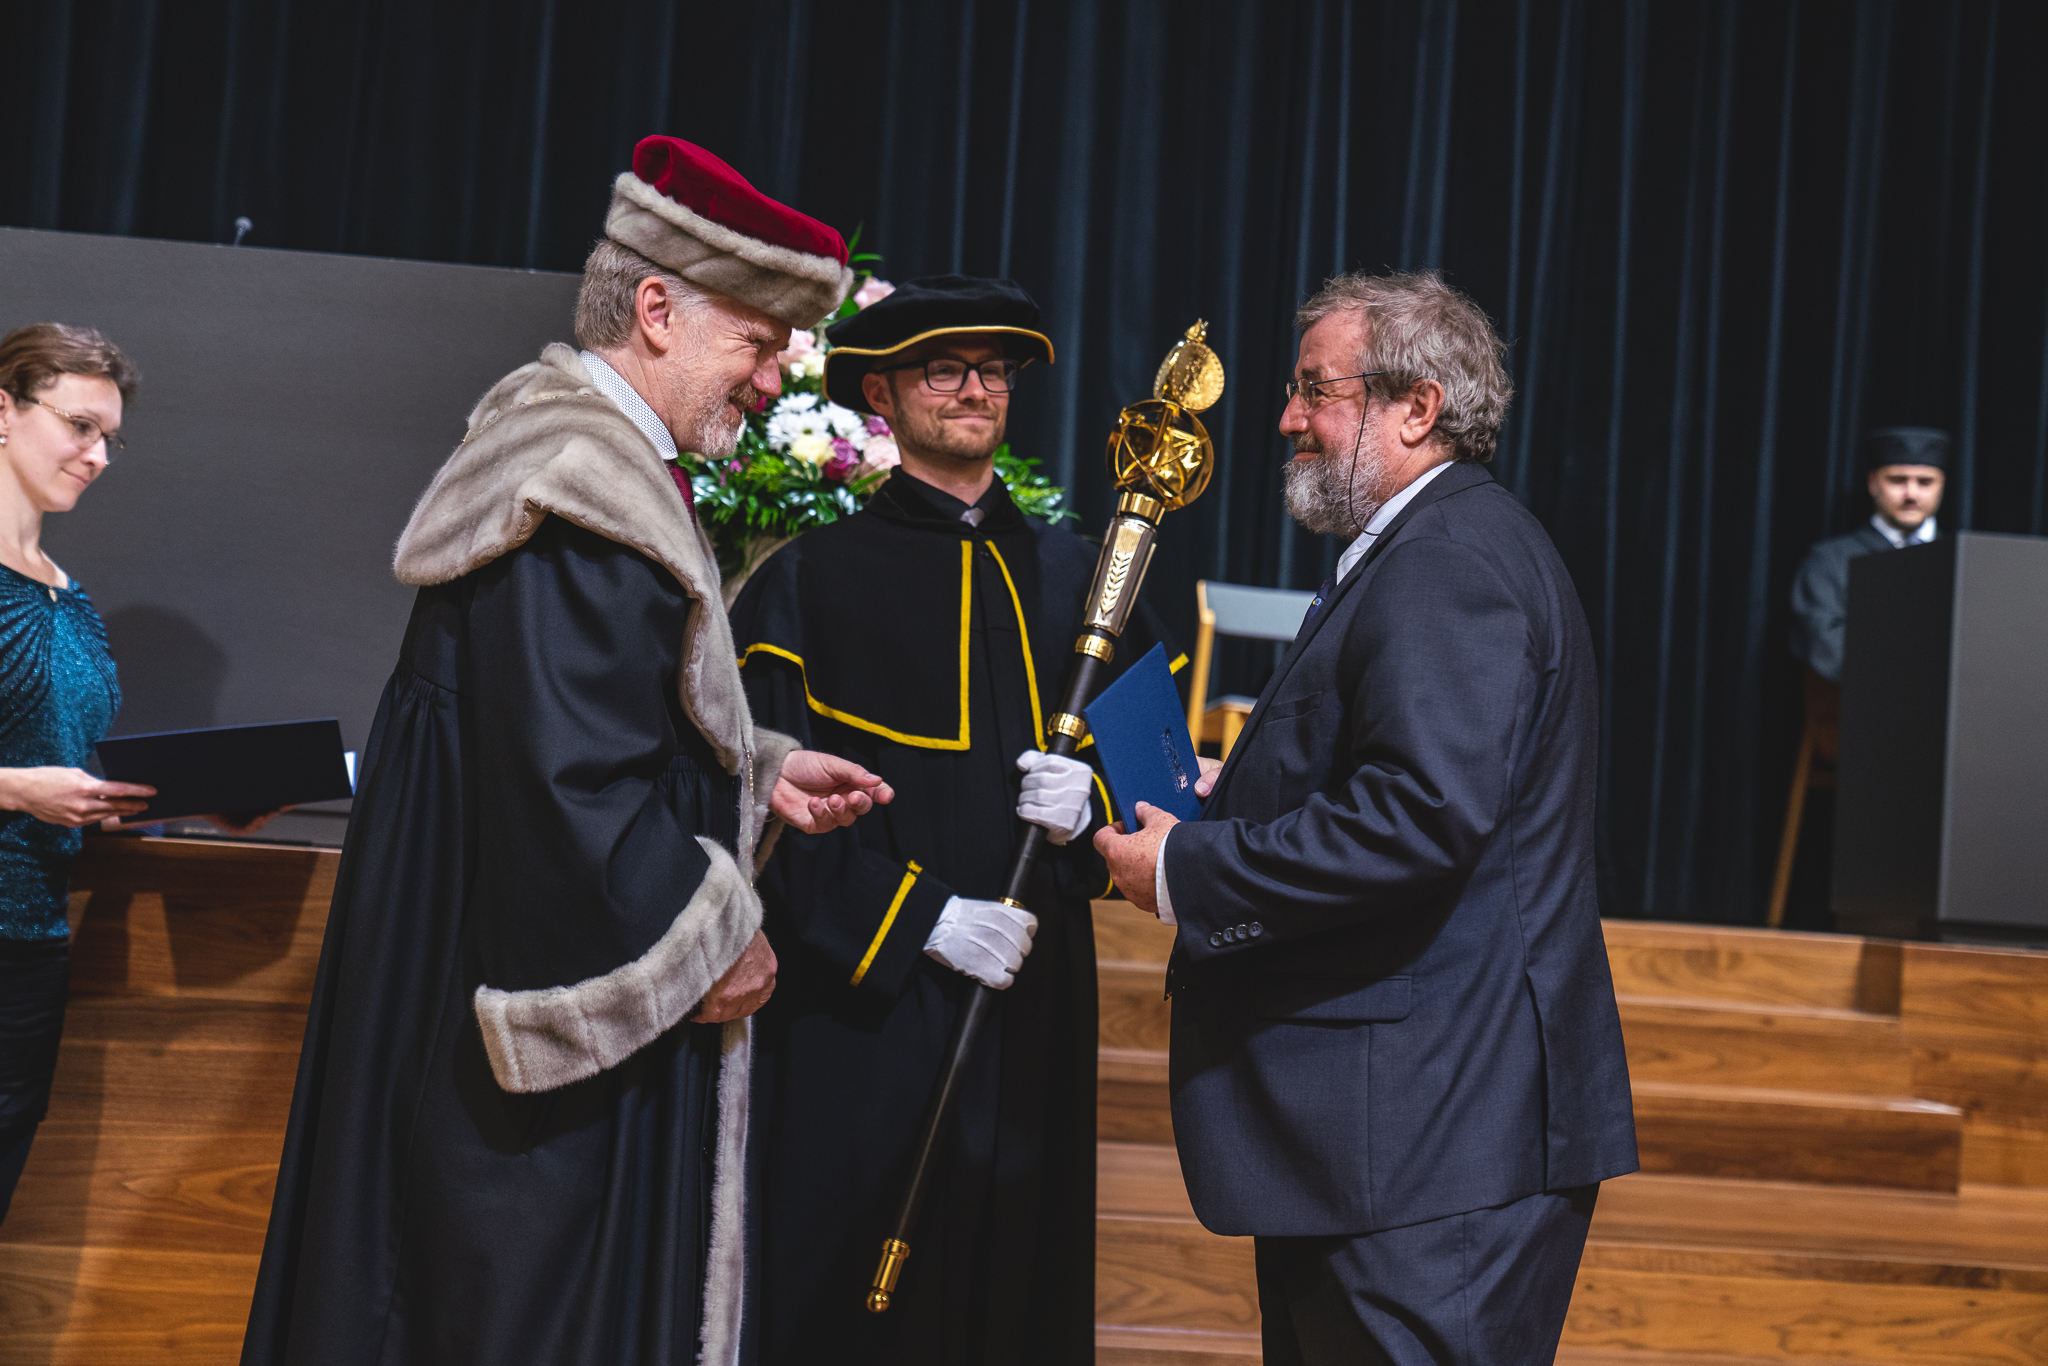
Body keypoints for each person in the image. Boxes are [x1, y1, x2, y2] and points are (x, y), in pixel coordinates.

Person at [241, 137, 891, 1366]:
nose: (768, 381)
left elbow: (574, 722)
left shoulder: (585, 459)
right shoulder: (584, 495)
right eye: (755, 343)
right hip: (519, 1059)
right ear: (657, 310)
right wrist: (718, 938)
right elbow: (565, 788)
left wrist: (752, 768)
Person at [1096, 270, 1638, 1365]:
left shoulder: (1446, 560)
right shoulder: (1426, 544)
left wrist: (1188, 869)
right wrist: (1238, 794)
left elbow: (1417, 817)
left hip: (1428, 1146)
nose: (1286, 418)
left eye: (1315, 389)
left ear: (1417, 407)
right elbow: (1408, 784)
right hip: (1389, 1144)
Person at [729, 276, 1178, 1364]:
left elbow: (1161, 790)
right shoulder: (805, 584)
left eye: (995, 371)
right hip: (862, 1010)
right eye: (944, 369)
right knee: (850, 1302)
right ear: (880, 394)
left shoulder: (1088, 575)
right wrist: (918, 920)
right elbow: (753, 813)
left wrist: (1090, 812)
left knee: (1015, 1294)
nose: (975, 389)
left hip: (1034, 999)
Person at [0, 324, 151, 1224]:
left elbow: (65, 753)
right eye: (80, 426)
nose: (97, 456)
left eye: (109, 439)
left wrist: (166, 802)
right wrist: (19, 789)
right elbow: (30, 775)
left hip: (31, 943)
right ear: (3, 411)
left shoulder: (69, 596)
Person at [1789, 427, 1948, 683]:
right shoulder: (1829, 561)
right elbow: (1826, 646)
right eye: (1897, 480)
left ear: (1942, 485)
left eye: (1925, 482)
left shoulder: (1961, 561)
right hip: (1861, 703)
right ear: (1873, 482)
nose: (1911, 494)